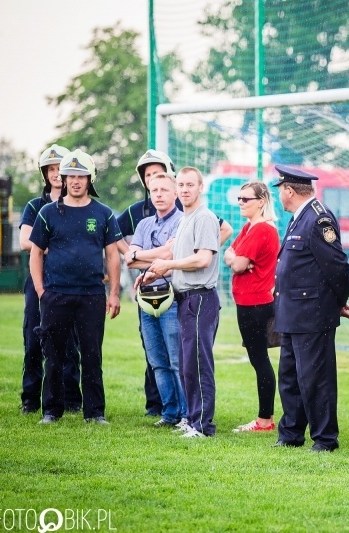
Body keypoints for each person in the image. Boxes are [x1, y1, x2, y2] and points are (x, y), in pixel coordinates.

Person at [119, 150, 232, 418]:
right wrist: (153, 264)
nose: (159, 193)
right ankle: (178, 416)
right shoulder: (150, 222)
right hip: (164, 296)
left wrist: (158, 261)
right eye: (153, 188)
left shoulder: (195, 218)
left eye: (186, 185)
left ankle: (193, 419)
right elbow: (135, 259)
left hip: (190, 296)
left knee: (186, 361)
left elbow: (197, 257)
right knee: (166, 362)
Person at [29, 149, 123, 425]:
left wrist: (114, 293)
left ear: (90, 179)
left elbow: (113, 255)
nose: (75, 181)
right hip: (55, 294)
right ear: (63, 178)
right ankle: (51, 411)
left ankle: (94, 413)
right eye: (70, 176)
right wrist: (40, 291)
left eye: (81, 176)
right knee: (54, 355)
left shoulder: (103, 213)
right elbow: (35, 252)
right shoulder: (48, 213)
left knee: (92, 355)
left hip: (92, 295)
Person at [271, 164, 349, 452]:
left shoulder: (318, 219)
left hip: (312, 315)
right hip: (292, 313)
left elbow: (338, 267)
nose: (280, 196)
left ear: (289, 191)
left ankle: (325, 439)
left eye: (281, 190)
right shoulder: (300, 217)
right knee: (290, 377)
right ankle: (291, 434)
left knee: (316, 380)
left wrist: (336, 303)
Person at [141, 167, 221, 438]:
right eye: (182, 185)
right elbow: (179, 255)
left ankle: (202, 426)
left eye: (190, 185)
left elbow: (203, 259)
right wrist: (153, 271)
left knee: (198, 364)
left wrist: (168, 265)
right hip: (184, 299)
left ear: (201, 188)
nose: (185, 189)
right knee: (187, 364)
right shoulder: (186, 218)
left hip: (200, 298)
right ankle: (191, 419)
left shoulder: (205, 218)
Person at [18, 144, 82, 415]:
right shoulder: (35, 206)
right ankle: (30, 399)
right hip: (38, 282)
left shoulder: (80, 204)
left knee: (70, 343)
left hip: (70, 283)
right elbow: (24, 242)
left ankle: (71, 400)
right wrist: (57, 244)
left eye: (61, 169)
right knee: (34, 338)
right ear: (45, 174)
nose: (57, 174)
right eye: (52, 169)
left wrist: (47, 244)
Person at [124, 172, 187, 428]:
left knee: (175, 359)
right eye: (154, 190)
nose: (159, 194)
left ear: (175, 194)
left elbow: (170, 254)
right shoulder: (143, 225)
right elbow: (129, 260)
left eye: (164, 189)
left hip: (172, 298)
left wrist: (141, 255)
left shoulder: (183, 222)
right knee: (157, 361)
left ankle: (185, 414)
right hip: (145, 299)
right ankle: (169, 413)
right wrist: (154, 256)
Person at [224, 181, 280, 433]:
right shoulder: (249, 227)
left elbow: (235, 264)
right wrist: (235, 259)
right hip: (247, 301)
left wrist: (236, 261)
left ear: (261, 201)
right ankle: (265, 419)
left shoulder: (262, 230)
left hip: (255, 303)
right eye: (239, 198)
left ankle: (265, 420)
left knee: (260, 360)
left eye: (246, 199)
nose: (240, 203)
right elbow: (230, 254)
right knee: (258, 359)